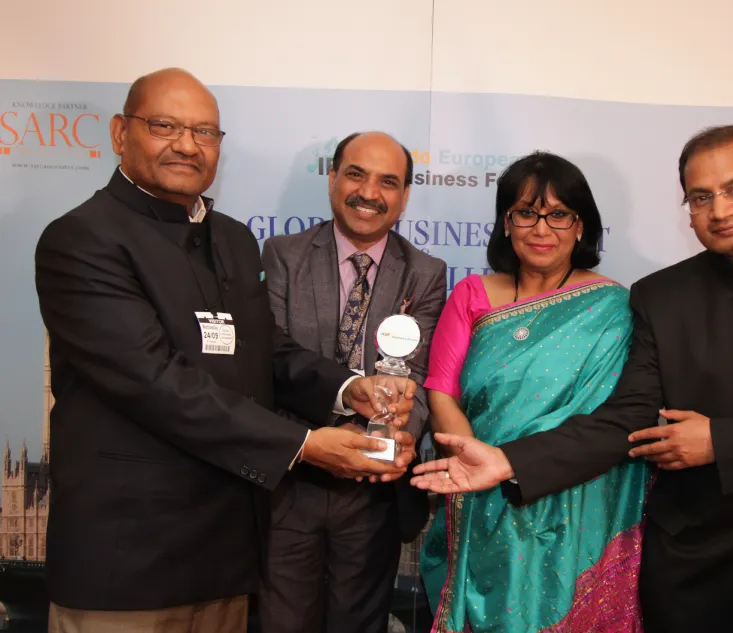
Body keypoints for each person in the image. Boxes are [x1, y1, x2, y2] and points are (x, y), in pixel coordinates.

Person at [412, 126, 733, 633]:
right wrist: (510, 461)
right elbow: (625, 421)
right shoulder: (661, 298)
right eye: (701, 197)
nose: (720, 210)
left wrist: (720, 441)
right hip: (695, 564)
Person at [33, 68, 417, 633]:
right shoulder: (82, 239)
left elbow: (267, 352)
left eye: (205, 133)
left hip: (227, 560)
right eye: (164, 126)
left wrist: (347, 389)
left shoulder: (233, 238)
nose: (187, 145)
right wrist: (305, 445)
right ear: (119, 132)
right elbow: (157, 383)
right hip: (128, 563)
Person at [418, 152, 651, 633]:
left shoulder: (613, 307)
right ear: (507, 223)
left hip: (576, 504)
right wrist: (474, 463)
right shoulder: (472, 295)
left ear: (581, 226)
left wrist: (517, 466)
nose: (541, 229)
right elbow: (442, 392)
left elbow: (611, 419)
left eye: (558, 214)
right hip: (477, 493)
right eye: (526, 213)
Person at [258, 131, 447, 633]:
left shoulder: (425, 272)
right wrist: (326, 431)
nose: (369, 193)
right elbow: (270, 359)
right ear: (332, 179)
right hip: (293, 478)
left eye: (388, 182)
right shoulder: (283, 255)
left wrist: (403, 436)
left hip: (373, 491)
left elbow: (420, 376)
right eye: (356, 175)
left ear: (404, 196)